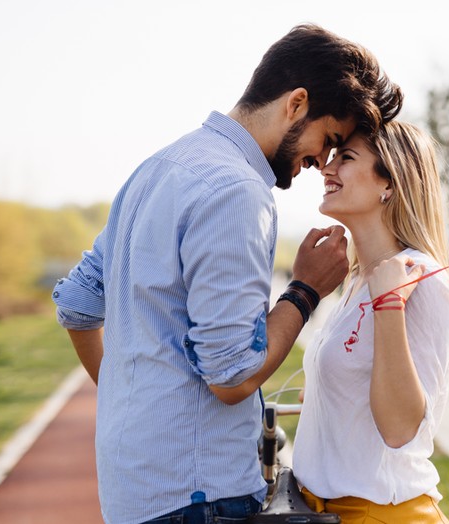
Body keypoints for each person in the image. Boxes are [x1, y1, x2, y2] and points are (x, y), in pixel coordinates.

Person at [51, 24, 403, 524]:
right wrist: (305, 291)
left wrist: (131, 409)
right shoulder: (237, 190)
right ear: (296, 103)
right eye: (330, 139)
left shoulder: (157, 168)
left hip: (132, 490)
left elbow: (78, 306)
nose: (321, 161)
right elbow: (232, 375)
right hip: (198, 497)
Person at [292, 121, 449, 523]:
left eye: (346, 158)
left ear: (390, 183)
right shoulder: (355, 279)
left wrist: (389, 304)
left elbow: (401, 428)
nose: (327, 168)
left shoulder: (420, 280)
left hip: (382, 513)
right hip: (326, 509)